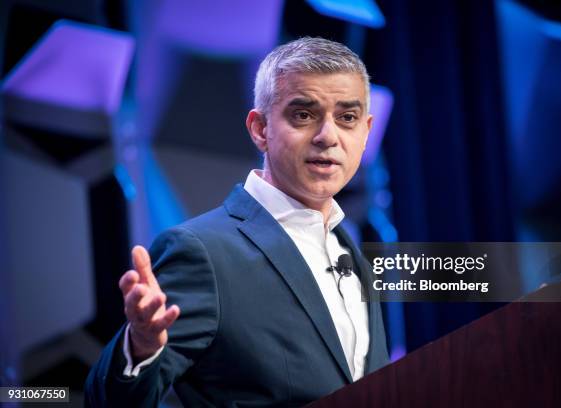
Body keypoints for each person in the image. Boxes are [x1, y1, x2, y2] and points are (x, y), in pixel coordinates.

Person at [85, 37, 389, 407]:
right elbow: (108, 402)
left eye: (347, 118)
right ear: (260, 129)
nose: (328, 136)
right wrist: (140, 347)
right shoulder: (202, 252)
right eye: (304, 115)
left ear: (366, 131)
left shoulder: (351, 252)